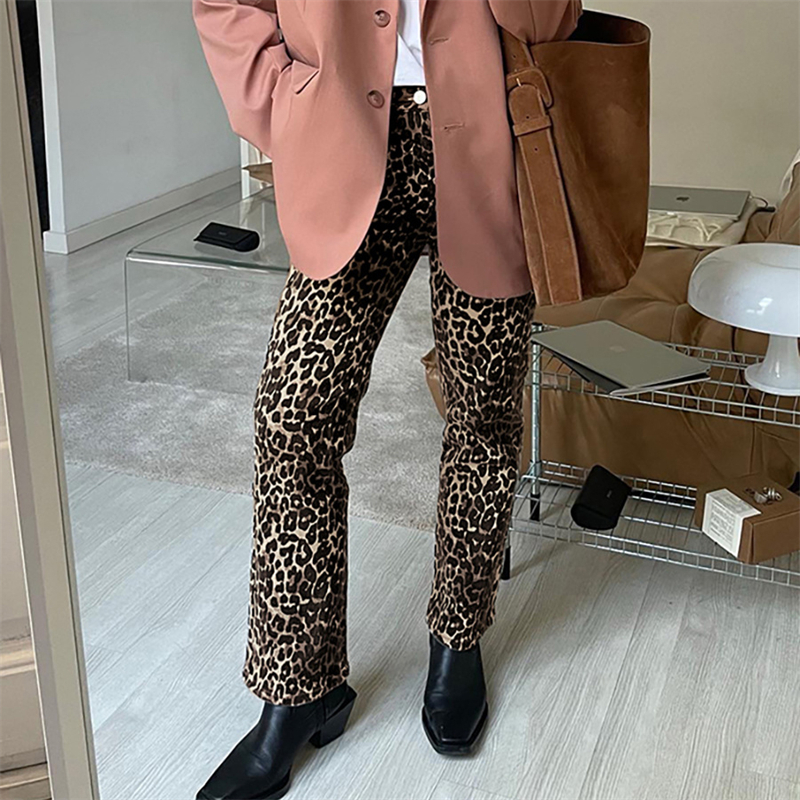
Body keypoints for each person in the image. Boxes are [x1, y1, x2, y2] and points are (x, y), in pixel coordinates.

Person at [191, 1, 582, 797]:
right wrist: (282, 102)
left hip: (490, 138)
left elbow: (551, 17)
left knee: (485, 410)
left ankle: (458, 636)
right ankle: (298, 689)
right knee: (293, 417)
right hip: (338, 130)